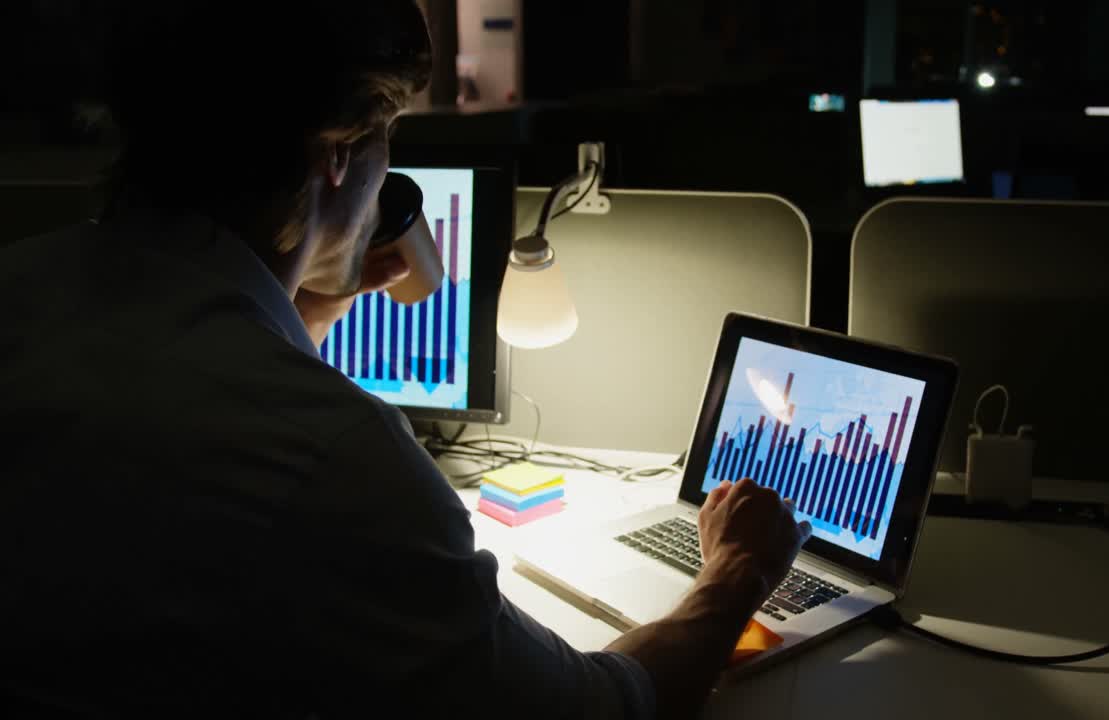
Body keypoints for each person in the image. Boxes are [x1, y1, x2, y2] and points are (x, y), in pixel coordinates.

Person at [0, 2, 810, 718]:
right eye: (391, 139)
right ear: (340, 156)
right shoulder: (335, 455)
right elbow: (609, 708)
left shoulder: (24, 291)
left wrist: (300, 311)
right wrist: (735, 571)